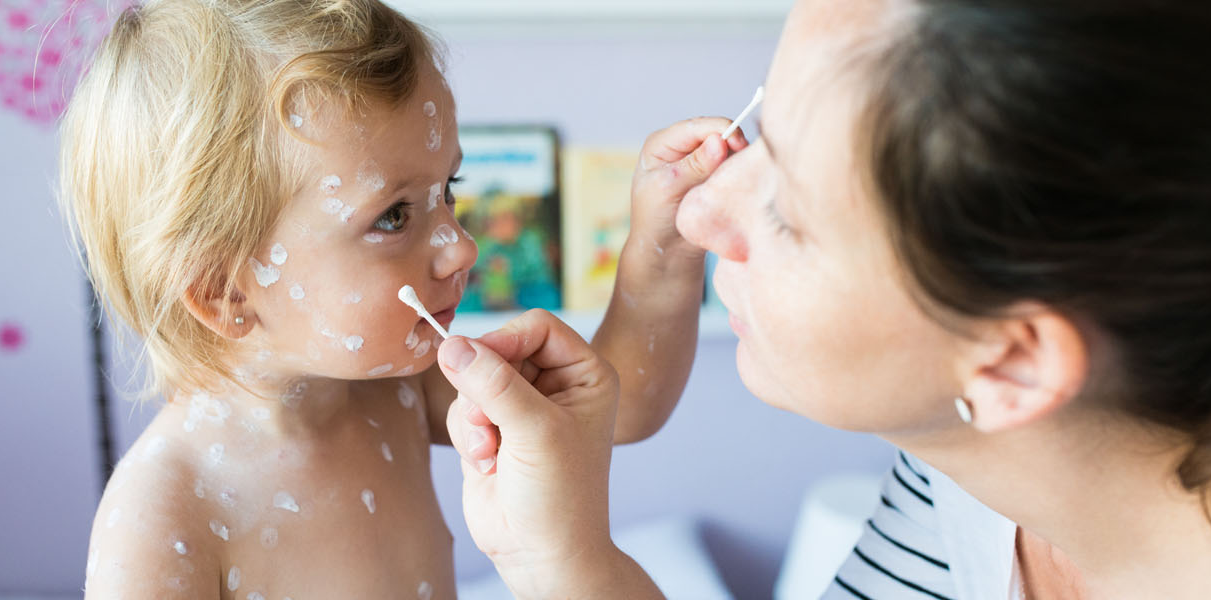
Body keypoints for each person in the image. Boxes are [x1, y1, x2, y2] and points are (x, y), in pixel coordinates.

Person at [436, 0, 1211, 597]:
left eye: (788, 211)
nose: (696, 212)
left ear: (1014, 364)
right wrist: (560, 561)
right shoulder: (968, 470)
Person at [57, 0, 736, 596]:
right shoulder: (163, 514)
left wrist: (666, 244)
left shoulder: (395, 390)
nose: (462, 247)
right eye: (393, 217)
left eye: (450, 190)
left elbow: (617, 407)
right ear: (226, 292)